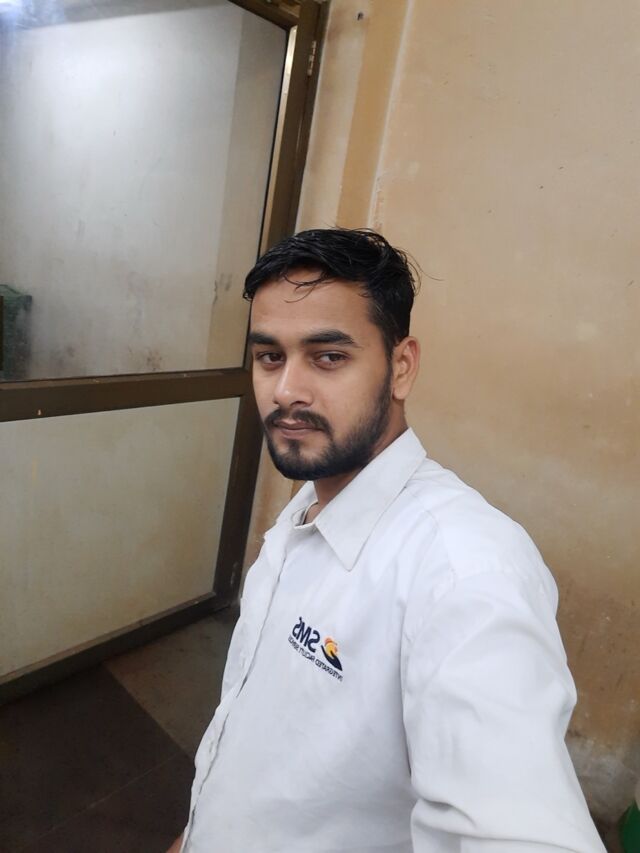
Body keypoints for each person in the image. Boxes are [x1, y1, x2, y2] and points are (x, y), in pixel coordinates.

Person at [169, 229, 605, 852]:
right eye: (269, 356)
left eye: (328, 357)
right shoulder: (307, 507)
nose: (286, 390)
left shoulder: (464, 573)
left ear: (401, 368)